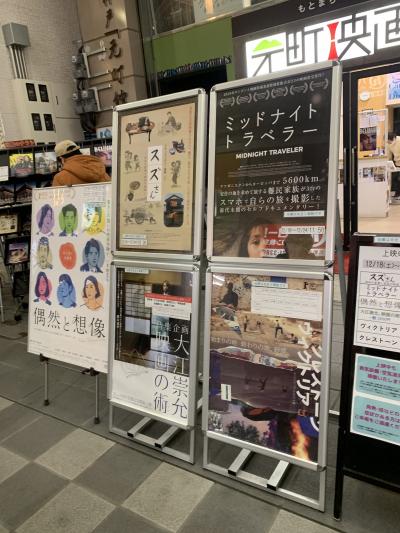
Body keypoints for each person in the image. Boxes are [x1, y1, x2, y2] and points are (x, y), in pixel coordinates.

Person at [387, 131, 400, 200]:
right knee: (395, 178)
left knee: (399, 179)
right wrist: (388, 161)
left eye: (388, 141)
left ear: (393, 138)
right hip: (397, 163)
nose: (387, 142)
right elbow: (389, 154)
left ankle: (398, 194)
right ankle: (397, 194)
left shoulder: (399, 140)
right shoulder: (389, 143)